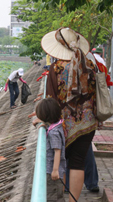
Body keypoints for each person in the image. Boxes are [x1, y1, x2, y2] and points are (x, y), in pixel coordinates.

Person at [41, 27, 99, 202]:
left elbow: (51, 101)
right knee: (78, 162)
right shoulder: (90, 65)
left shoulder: (56, 68)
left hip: (63, 125)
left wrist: (41, 118)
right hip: (88, 123)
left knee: (65, 159)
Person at [33, 98, 66, 202]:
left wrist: (55, 170)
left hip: (53, 172)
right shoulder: (57, 125)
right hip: (53, 170)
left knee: (54, 197)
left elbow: (57, 151)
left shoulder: (54, 133)